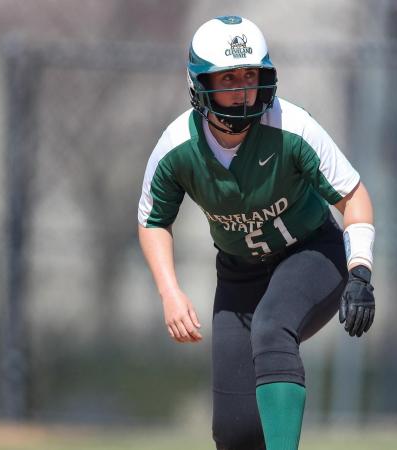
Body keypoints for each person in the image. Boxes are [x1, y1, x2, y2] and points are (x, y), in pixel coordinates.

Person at [137, 15, 376, 450]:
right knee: (234, 430)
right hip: (239, 274)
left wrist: (360, 270)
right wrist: (170, 293)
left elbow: (353, 196)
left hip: (311, 253)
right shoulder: (176, 148)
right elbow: (154, 221)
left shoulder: (292, 128)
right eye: (228, 78)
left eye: (251, 75)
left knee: (272, 326)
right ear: (199, 85)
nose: (243, 88)